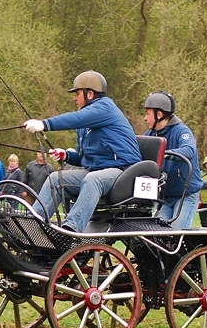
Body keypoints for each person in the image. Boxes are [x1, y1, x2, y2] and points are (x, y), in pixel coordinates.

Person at [22, 70, 141, 232]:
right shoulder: (86, 123)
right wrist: (66, 155)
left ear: (90, 94)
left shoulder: (105, 108)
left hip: (123, 171)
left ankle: (72, 229)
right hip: (97, 170)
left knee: (93, 179)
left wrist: (45, 124)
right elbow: (84, 158)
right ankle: (32, 226)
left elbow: (75, 119)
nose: (74, 98)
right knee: (56, 179)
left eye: (77, 93)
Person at [142, 91, 203, 230]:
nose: (145, 118)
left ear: (159, 114)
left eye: (147, 113)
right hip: (164, 197)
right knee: (158, 237)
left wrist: (164, 153)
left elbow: (189, 150)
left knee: (175, 235)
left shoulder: (182, 131)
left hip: (185, 195)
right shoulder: (149, 135)